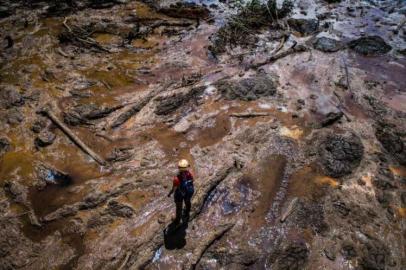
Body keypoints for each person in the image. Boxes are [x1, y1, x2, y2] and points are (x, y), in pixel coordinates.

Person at [167, 159, 195, 224]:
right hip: (189, 192)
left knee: (179, 208)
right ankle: (187, 212)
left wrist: (169, 194)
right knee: (187, 201)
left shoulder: (176, 179)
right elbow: (193, 180)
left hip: (179, 194)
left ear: (179, 168)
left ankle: (177, 220)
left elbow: (174, 189)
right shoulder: (190, 173)